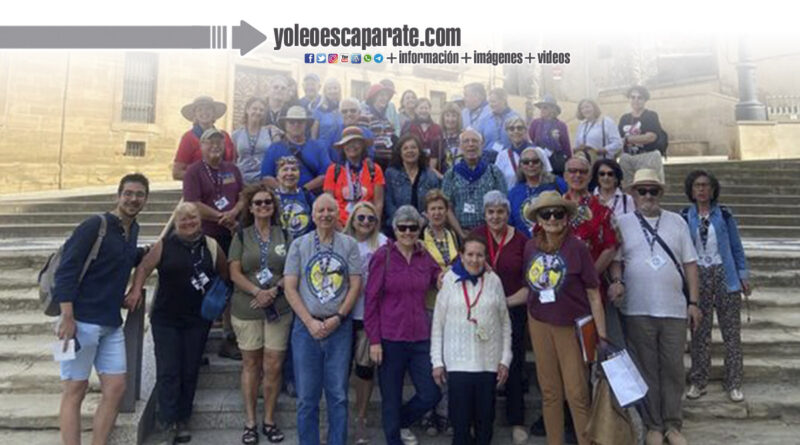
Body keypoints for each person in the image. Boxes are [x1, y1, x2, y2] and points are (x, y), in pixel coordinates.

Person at [608, 169, 701, 445]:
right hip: (637, 308)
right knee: (646, 368)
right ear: (633, 194)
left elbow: (690, 264)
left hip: (673, 308)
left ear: (660, 193)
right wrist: (617, 281)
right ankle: (654, 425)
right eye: (642, 191)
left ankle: (673, 424)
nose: (648, 195)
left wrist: (694, 302)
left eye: (653, 190)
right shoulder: (622, 222)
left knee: (673, 369)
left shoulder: (677, 222)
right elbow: (616, 260)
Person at [55, 173, 150, 445]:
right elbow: (66, 271)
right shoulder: (95, 226)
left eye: (139, 194)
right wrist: (67, 316)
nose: (133, 199)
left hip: (111, 323)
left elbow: (129, 258)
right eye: (128, 193)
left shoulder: (133, 230)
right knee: (75, 389)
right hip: (81, 321)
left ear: (145, 199)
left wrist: (142, 268)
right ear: (118, 195)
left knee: (116, 388)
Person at [124, 202, 228, 444]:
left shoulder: (211, 246)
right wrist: (136, 289)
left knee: (189, 370)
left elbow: (224, 273)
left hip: (198, 319)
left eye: (193, 218)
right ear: (176, 223)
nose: (189, 222)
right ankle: (167, 420)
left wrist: (219, 301)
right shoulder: (164, 245)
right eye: (183, 219)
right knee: (168, 370)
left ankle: (183, 418)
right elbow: (144, 267)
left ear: (200, 221)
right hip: (166, 318)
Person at [523, 191, 608, 445]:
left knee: (577, 393)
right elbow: (530, 288)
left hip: (571, 326)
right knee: (550, 392)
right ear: (539, 219)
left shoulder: (577, 248)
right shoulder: (530, 247)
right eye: (546, 214)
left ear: (566, 217)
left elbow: (593, 294)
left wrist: (602, 336)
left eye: (558, 213)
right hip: (539, 323)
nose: (552, 218)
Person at [283, 193, 363, 445]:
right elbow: (290, 287)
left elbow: (355, 284)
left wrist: (339, 317)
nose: (326, 215)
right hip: (306, 328)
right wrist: (309, 322)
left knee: (338, 395)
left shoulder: (349, 244)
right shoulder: (299, 245)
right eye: (321, 211)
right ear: (313, 215)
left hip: (339, 327)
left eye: (330, 210)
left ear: (338, 213)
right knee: (307, 397)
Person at [365, 205, 442, 445]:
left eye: (413, 227)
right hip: (390, 338)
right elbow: (371, 300)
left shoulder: (424, 255)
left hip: (420, 337)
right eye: (402, 227)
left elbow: (439, 275)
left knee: (431, 393)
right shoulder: (383, 256)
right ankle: (393, 438)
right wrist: (374, 341)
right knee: (391, 398)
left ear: (419, 229)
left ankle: (402, 421)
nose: (408, 232)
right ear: (395, 229)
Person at [430, 234, 512, 445]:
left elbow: (505, 323)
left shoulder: (494, 281)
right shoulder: (449, 281)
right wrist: (437, 362)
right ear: (461, 255)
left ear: (485, 257)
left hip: (488, 364)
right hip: (458, 365)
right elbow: (437, 324)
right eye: (470, 254)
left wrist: (505, 359)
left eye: (479, 255)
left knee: (485, 425)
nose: (474, 260)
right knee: (460, 427)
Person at [227, 185, 293, 444]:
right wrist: (258, 292)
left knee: (273, 365)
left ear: (274, 206)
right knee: (251, 364)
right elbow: (234, 273)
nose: (263, 206)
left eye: (268, 202)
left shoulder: (285, 235)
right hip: (247, 309)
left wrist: (274, 290)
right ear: (251, 208)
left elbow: (292, 270)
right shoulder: (241, 236)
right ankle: (250, 422)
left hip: (279, 308)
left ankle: (269, 420)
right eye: (258, 203)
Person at [681, 170, 750, 403]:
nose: (701, 189)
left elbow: (736, 247)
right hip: (697, 275)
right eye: (697, 185)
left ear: (713, 190)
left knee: (731, 332)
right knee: (699, 331)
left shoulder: (725, 215)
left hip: (724, 272)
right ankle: (698, 381)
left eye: (706, 185)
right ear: (691, 190)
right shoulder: (684, 216)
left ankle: (734, 382)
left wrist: (743, 275)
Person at [469, 191, 530, 444]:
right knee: (483, 367)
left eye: (500, 212)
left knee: (513, 365)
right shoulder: (475, 237)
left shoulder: (522, 241)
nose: (495, 217)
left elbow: (531, 283)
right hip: (481, 312)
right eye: (491, 212)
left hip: (513, 309)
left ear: (508, 213)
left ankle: (517, 420)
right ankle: (482, 422)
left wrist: (503, 303)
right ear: (484, 214)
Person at [183, 128, 245, 360]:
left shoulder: (232, 169)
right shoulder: (194, 171)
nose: (215, 146)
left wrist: (234, 213)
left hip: (232, 235)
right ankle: (196, 344)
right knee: (205, 286)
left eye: (219, 142)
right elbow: (193, 203)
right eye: (210, 142)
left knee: (230, 284)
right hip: (206, 237)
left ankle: (229, 338)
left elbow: (243, 196)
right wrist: (221, 216)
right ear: (201, 146)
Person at [343, 202, 389, 444]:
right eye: (361, 217)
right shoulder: (341, 241)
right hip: (342, 314)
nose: (366, 222)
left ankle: (361, 418)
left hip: (368, 315)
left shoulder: (383, 243)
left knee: (364, 369)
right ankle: (337, 421)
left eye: (371, 219)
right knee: (339, 370)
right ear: (352, 219)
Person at [418, 190, 459, 436]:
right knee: (429, 361)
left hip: (451, 306)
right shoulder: (419, 237)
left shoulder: (453, 235)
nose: (437, 213)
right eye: (432, 209)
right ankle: (427, 413)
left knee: (448, 360)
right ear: (426, 213)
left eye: (440, 208)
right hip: (428, 305)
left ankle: (444, 412)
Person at [442, 129, 508, 238]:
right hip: (460, 234)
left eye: (475, 141)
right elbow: (446, 207)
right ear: (460, 146)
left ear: (482, 145)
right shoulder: (451, 174)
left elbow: (504, 203)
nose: (471, 144)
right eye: (466, 141)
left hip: (490, 234)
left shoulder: (494, 172)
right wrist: (461, 233)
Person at [323, 126, 385, 226]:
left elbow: (378, 203)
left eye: (356, 142)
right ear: (343, 147)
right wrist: (338, 228)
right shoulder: (333, 170)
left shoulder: (374, 169)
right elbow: (328, 202)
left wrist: (374, 226)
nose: (352, 146)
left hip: (366, 223)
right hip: (340, 224)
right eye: (347, 143)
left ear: (363, 145)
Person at [261, 105, 331, 193]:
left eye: (300, 122)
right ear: (285, 125)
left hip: (312, 196)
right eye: (291, 122)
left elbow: (326, 174)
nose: (296, 125)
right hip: (281, 197)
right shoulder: (274, 148)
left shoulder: (318, 147)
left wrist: (302, 190)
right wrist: (285, 191)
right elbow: (266, 177)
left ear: (306, 125)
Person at [383, 134, 441, 234]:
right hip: (397, 228)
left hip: (425, 228)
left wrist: (422, 221)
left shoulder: (430, 176)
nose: (410, 151)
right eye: (405, 148)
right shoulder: (390, 174)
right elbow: (388, 202)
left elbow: (435, 202)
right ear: (400, 153)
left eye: (413, 147)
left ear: (419, 151)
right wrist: (400, 222)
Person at [508, 147, 567, 237]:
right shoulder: (513, 193)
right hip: (524, 243)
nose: (531, 164)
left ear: (542, 164)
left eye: (535, 161)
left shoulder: (557, 184)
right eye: (526, 162)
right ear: (520, 166)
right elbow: (510, 224)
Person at [173, 96, 236, 180]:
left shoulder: (225, 136)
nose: (204, 112)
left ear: (214, 113)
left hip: (224, 185)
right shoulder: (188, 138)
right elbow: (177, 173)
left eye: (208, 109)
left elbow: (232, 165)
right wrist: (204, 177)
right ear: (195, 115)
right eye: (200, 110)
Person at [618, 86, 666, 187]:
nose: (636, 100)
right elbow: (618, 140)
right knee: (628, 189)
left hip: (648, 156)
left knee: (648, 188)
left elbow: (650, 137)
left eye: (640, 98)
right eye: (633, 97)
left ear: (645, 100)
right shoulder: (624, 118)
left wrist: (627, 139)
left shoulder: (650, 115)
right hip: (627, 158)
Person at [233, 97, 282, 185]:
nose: (258, 112)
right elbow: (233, 159)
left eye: (261, 110)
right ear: (247, 110)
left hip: (263, 181)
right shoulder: (236, 134)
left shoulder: (270, 132)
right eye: (254, 108)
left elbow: (277, 156)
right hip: (241, 181)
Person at [528, 94, 571, 176]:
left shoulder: (561, 125)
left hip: (555, 162)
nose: (542, 110)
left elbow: (566, 145)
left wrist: (568, 162)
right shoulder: (535, 123)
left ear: (553, 109)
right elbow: (532, 138)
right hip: (538, 161)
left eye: (545, 107)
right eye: (541, 108)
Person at [274, 156, 315, 238]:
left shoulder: (307, 196)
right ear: (277, 175)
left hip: (305, 242)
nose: (290, 173)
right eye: (285, 169)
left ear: (299, 174)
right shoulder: (272, 198)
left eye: (294, 169)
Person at [360, 83, 397, 168]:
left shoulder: (387, 120)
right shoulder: (365, 117)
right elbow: (362, 142)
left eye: (386, 96)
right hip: (373, 161)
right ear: (373, 98)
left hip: (388, 161)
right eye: (381, 95)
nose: (385, 98)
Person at [404, 98, 444, 173]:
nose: (424, 110)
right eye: (421, 108)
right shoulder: (408, 126)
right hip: (413, 164)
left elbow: (440, 149)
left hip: (433, 166)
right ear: (416, 110)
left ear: (430, 110)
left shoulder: (437, 128)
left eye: (426, 108)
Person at [494, 115, 535, 187]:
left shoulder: (537, 152)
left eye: (519, 128)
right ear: (507, 132)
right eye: (511, 129)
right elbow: (497, 180)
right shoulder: (502, 155)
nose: (516, 131)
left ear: (525, 130)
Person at [331, 98, 376, 163]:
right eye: (344, 111)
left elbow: (370, 156)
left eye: (353, 111)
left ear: (359, 113)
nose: (349, 114)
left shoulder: (368, 134)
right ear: (339, 114)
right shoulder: (332, 133)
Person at [478, 88, 520, 155]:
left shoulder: (516, 118)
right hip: (487, 156)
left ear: (503, 100)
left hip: (508, 156)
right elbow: (479, 140)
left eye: (493, 101)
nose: (491, 105)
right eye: (489, 102)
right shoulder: (485, 119)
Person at [311, 78, 344, 155]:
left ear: (339, 90)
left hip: (340, 149)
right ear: (325, 91)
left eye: (335, 88)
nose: (332, 91)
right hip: (323, 149)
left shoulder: (343, 108)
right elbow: (313, 134)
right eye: (329, 88)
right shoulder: (319, 110)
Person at [438, 102, 463, 175]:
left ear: (458, 118)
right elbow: (432, 167)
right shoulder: (438, 138)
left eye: (454, 116)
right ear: (443, 118)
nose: (450, 119)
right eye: (447, 115)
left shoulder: (465, 136)